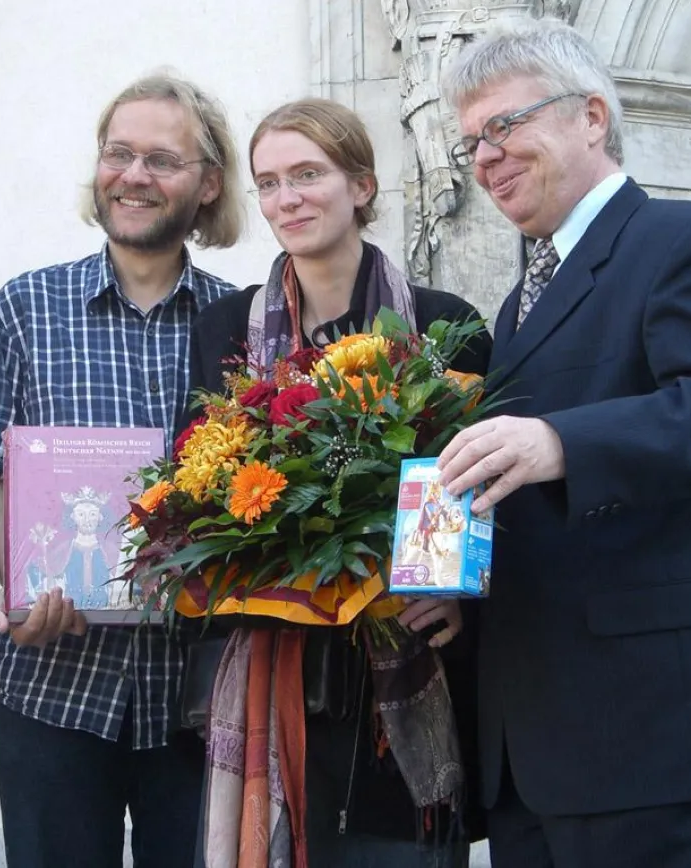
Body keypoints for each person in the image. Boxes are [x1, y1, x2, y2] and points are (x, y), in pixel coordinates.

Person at [436, 19, 691, 868]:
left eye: (504, 126)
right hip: (533, 750)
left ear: (592, 116)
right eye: (469, 144)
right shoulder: (515, 300)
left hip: (649, 740)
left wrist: (558, 442)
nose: (485, 157)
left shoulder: (681, 240)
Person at [0, 74, 244, 868]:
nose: (134, 175)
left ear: (207, 183)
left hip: (198, 694)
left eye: (162, 159)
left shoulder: (244, 323)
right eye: (119, 154)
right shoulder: (25, 306)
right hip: (51, 684)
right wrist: (22, 586)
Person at [187, 97, 490, 867]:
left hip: (399, 681)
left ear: (360, 185)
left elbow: (475, 486)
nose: (287, 198)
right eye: (269, 182)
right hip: (275, 668)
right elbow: (197, 483)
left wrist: (455, 589)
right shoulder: (225, 330)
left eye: (308, 174)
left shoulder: (442, 323)